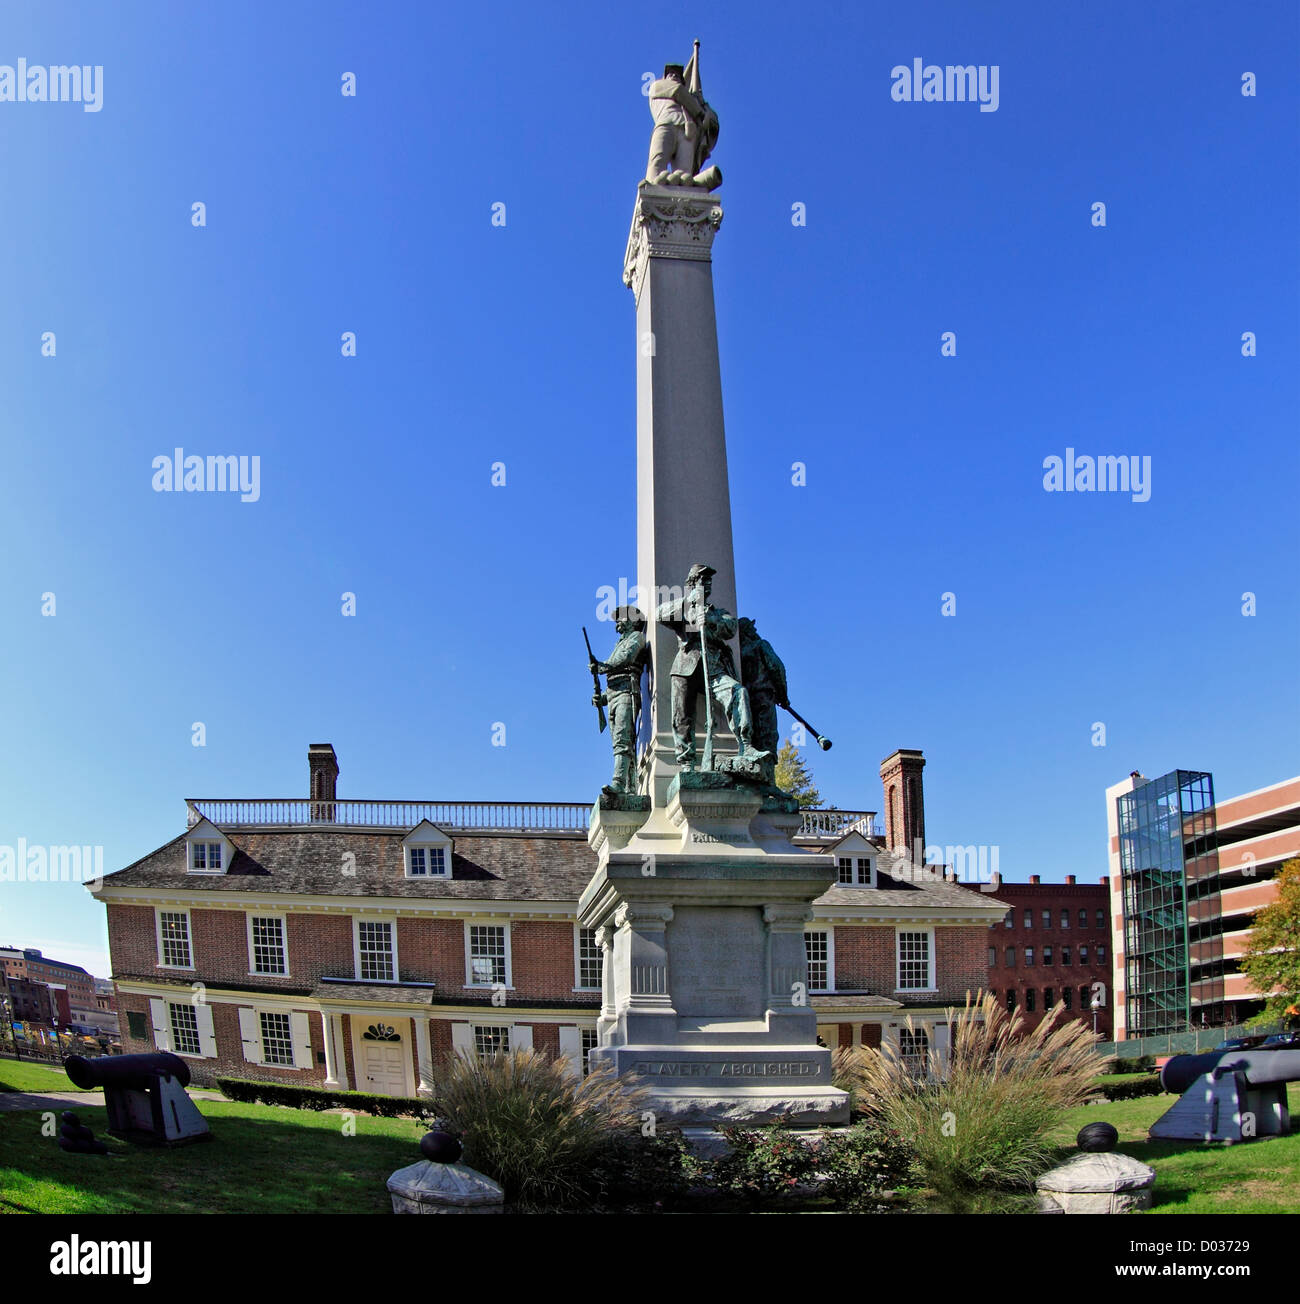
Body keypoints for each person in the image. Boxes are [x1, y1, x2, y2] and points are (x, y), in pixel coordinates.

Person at [655, 563, 770, 770]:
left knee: (738, 692)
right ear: (690, 584)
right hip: (686, 667)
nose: (705, 584)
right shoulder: (684, 607)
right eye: (700, 580)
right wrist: (689, 602)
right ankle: (686, 762)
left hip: (714, 668)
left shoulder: (718, 613)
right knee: (682, 715)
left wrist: (709, 619)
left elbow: (730, 628)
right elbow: (659, 614)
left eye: (708, 581)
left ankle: (746, 745)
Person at [590, 607, 649, 795]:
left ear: (633, 621)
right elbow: (614, 679)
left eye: (621, 619)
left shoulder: (636, 638)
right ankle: (628, 785)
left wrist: (602, 666)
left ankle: (619, 782)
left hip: (627, 693)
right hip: (616, 694)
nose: (617, 623)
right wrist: (602, 699)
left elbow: (628, 658)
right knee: (618, 743)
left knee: (623, 739)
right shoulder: (619, 644)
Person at [738, 617, 789, 785]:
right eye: (752, 629)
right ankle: (769, 783)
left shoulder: (739, 652)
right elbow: (776, 667)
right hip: (764, 696)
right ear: (748, 631)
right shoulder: (761, 645)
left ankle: (757, 781)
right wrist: (783, 696)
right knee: (768, 738)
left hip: (745, 702)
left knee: (753, 740)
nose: (755, 632)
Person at [645, 63, 706, 184]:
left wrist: (699, 102)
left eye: (678, 75)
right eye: (670, 74)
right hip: (666, 125)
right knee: (657, 162)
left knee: (685, 176)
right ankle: (651, 186)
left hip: (687, 130)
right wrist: (699, 111)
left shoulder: (688, 98)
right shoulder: (657, 86)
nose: (674, 75)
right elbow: (677, 90)